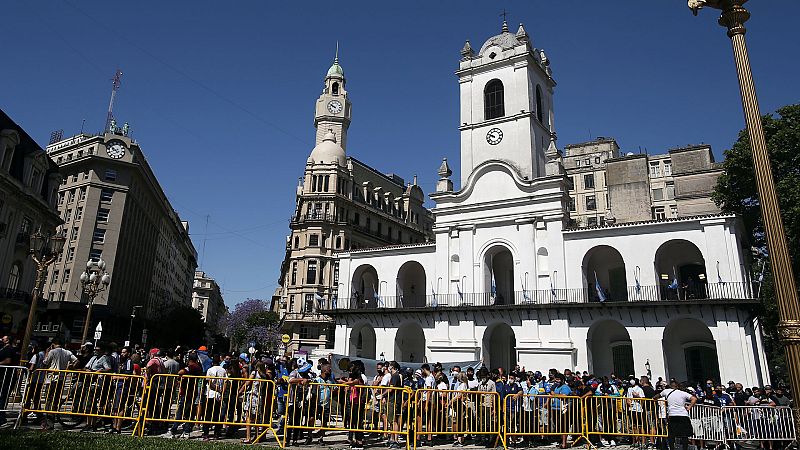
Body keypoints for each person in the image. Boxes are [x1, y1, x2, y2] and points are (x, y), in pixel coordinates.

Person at [40, 338, 78, 430]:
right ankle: (52, 417)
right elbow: (76, 361)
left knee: (49, 399)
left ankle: (48, 420)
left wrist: (46, 353)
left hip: (52, 378)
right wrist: (69, 368)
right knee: (56, 399)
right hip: (61, 378)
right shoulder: (67, 352)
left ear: (53, 344)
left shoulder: (52, 351)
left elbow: (45, 362)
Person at [652, 381, 696, 450]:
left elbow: (656, 396)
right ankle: (685, 448)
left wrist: (653, 399)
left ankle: (672, 448)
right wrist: (689, 407)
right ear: (677, 386)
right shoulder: (683, 393)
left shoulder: (666, 391)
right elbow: (694, 399)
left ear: (670, 386)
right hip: (683, 415)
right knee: (684, 435)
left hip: (672, 415)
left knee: (671, 434)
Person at [109, 346, 135, 434]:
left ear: (128, 353)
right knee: (114, 407)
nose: (122, 354)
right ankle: (113, 426)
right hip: (115, 386)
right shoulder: (118, 361)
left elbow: (127, 376)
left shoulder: (129, 362)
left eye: (124, 352)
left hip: (123, 386)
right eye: (122, 352)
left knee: (120, 406)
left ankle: (118, 427)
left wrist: (116, 377)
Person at [202, 356, 227, 441]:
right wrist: (222, 392)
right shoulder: (223, 370)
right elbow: (225, 382)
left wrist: (217, 389)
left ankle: (206, 433)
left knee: (208, 414)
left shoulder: (210, 370)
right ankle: (217, 433)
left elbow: (210, 382)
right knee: (217, 414)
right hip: (218, 395)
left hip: (211, 394)